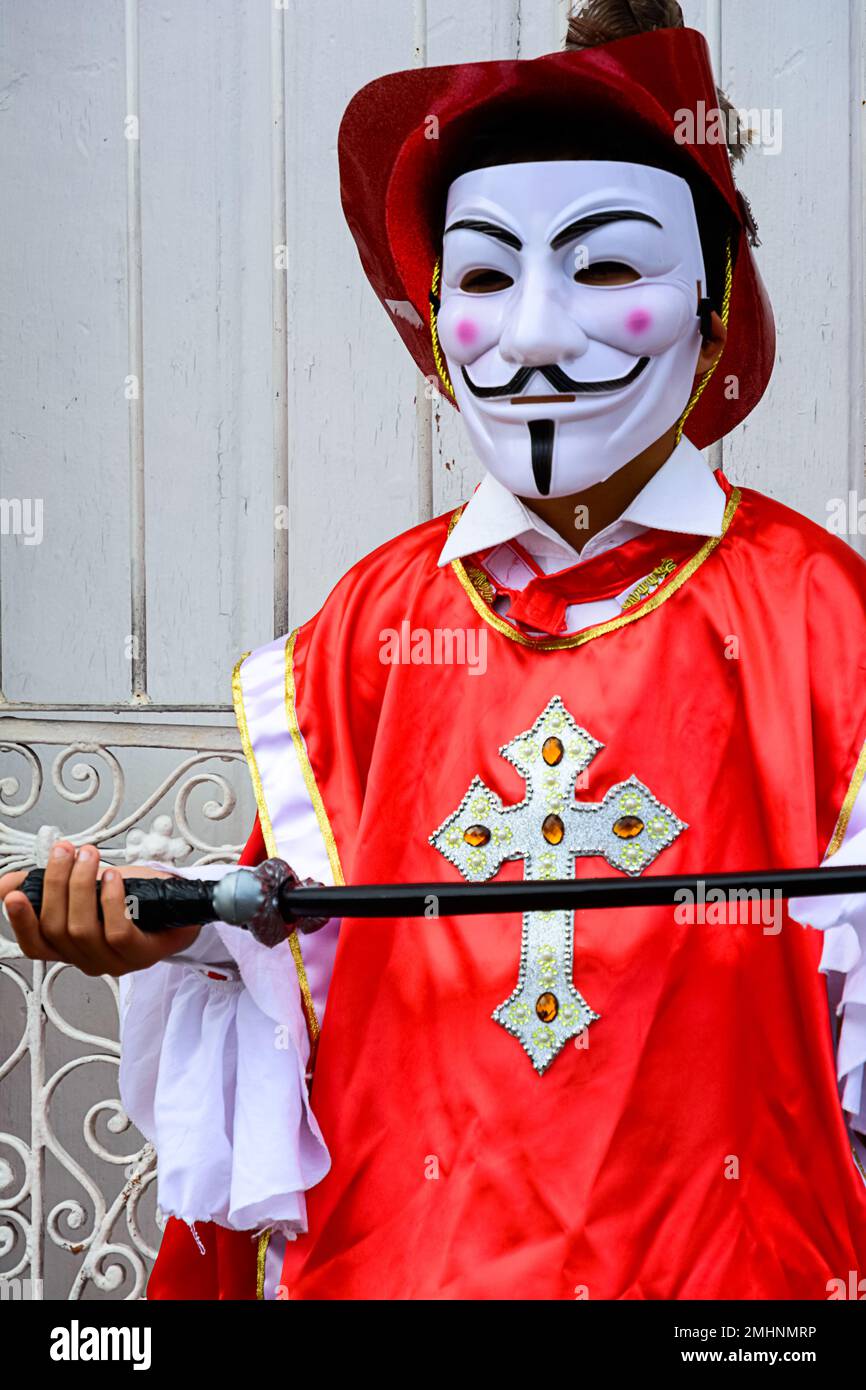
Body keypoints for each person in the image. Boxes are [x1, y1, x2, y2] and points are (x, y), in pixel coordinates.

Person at [3, 0, 865, 1300]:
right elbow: (293, 952)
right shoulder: (363, 628)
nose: (531, 336)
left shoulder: (825, 619)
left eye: (606, 267)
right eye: (483, 278)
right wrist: (167, 932)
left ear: (711, 295)